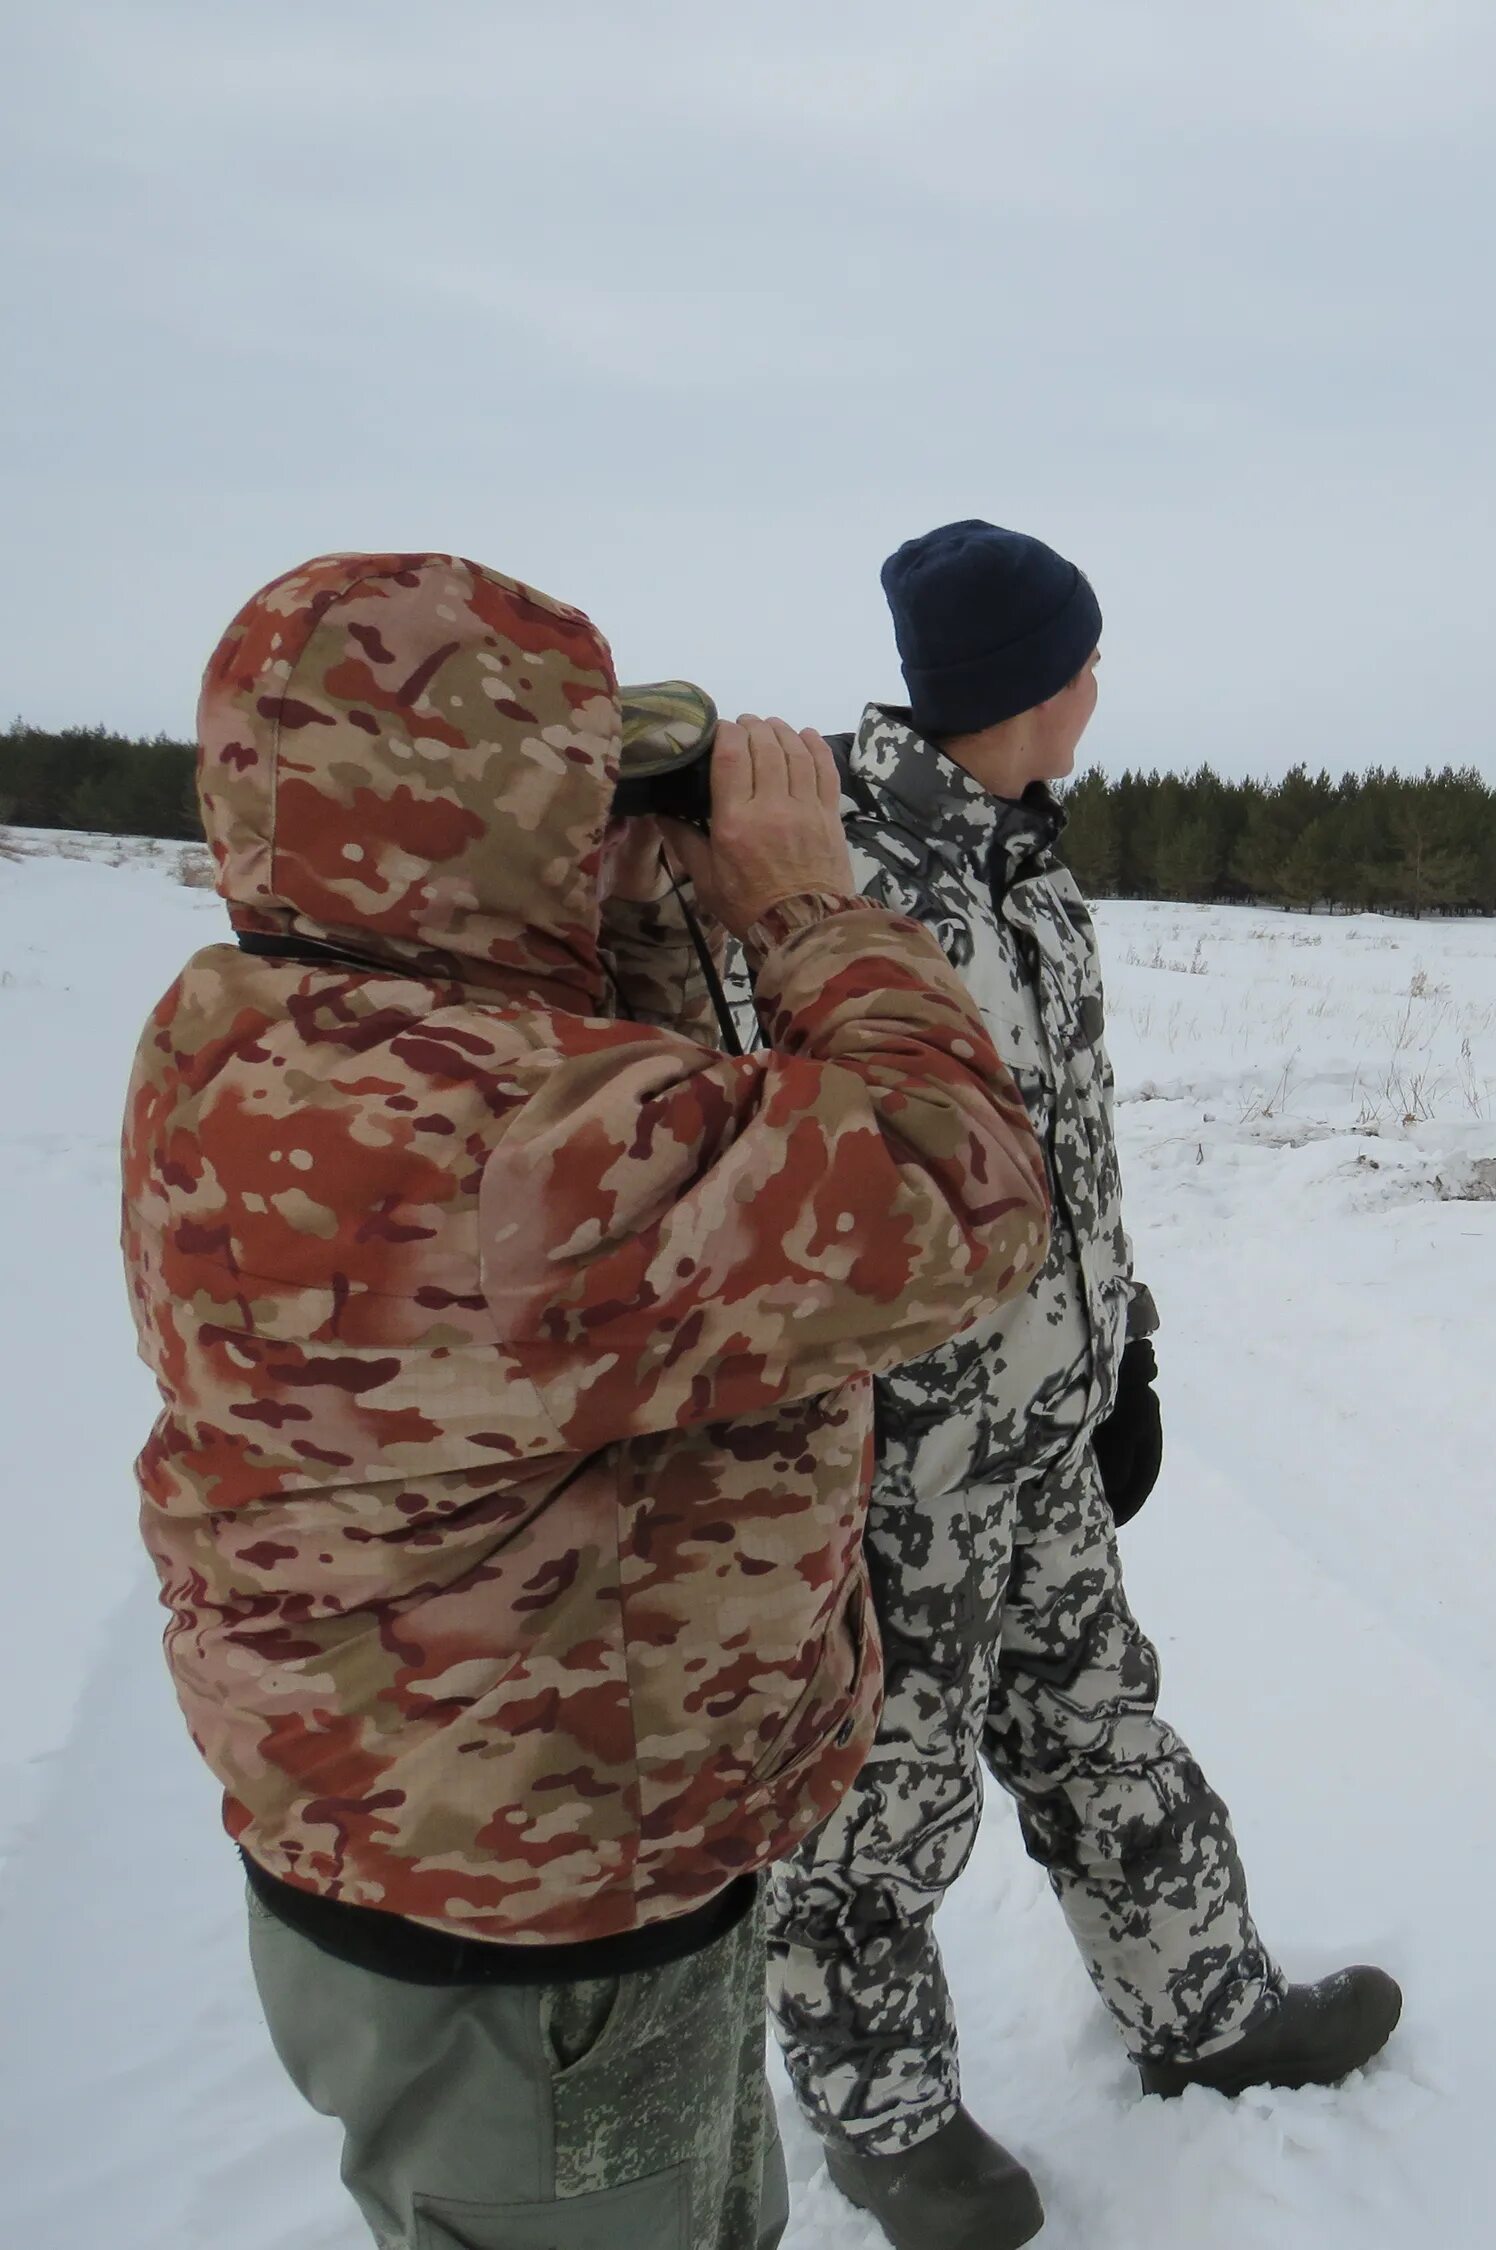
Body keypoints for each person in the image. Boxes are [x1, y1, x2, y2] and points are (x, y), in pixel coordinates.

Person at [120, 551, 1056, 2250]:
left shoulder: (251, 1029)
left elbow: (638, 1131)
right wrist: (805, 911)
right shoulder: (510, 1141)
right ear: (483, 809)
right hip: (541, 1949)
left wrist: (623, 895)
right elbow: (961, 1190)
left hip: (459, 1864)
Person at [764, 520, 1400, 2249]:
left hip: (1039, 1429)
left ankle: (1207, 2010)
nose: (1099, 688)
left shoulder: (1022, 866)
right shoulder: (838, 877)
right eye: (1079, 663)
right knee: (873, 1812)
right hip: (890, 1463)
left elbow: (1068, 1155)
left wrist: (1127, 1351)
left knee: (1102, 1721)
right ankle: (884, 2123)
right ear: (1020, 688)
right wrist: (862, 1429)